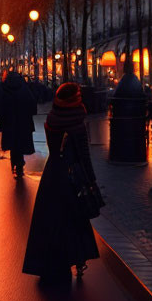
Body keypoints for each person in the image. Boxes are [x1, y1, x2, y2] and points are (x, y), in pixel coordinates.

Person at [23, 82, 100, 288]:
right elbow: (84, 157)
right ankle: (77, 259)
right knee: (74, 220)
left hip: (52, 173)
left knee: (50, 220)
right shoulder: (77, 124)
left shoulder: (51, 119)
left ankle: (48, 263)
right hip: (72, 175)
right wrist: (91, 180)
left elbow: (53, 148)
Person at [0, 70, 36, 177]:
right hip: (23, 122)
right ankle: (19, 164)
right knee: (20, 144)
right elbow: (32, 106)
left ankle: (15, 164)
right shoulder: (24, 89)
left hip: (8, 122)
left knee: (13, 144)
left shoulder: (4, 89)